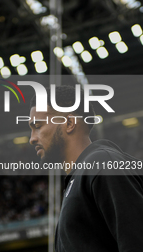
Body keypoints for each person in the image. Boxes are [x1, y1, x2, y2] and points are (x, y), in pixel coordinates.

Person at [28, 85, 143, 252]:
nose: (32, 139)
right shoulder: (80, 177)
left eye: (37, 126)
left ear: (68, 123)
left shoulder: (102, 163)